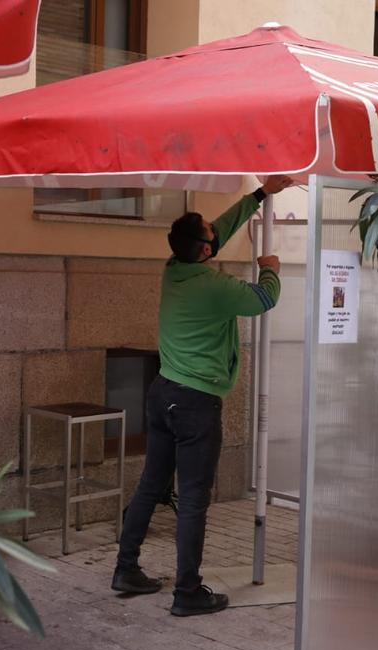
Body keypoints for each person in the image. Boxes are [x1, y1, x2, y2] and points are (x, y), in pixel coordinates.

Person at [111, 175, 295, 616]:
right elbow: (263, 299)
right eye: (212, 238)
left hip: (163, 394)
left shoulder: (174, 269)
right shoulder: (215, 288)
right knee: (193, 498)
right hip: (195, 405)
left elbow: (218, 230)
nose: (217, 234)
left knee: (151, 484)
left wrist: (259, 195)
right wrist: (271, 266)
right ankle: (188, 592)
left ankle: (125, 568)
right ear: (207, 252)